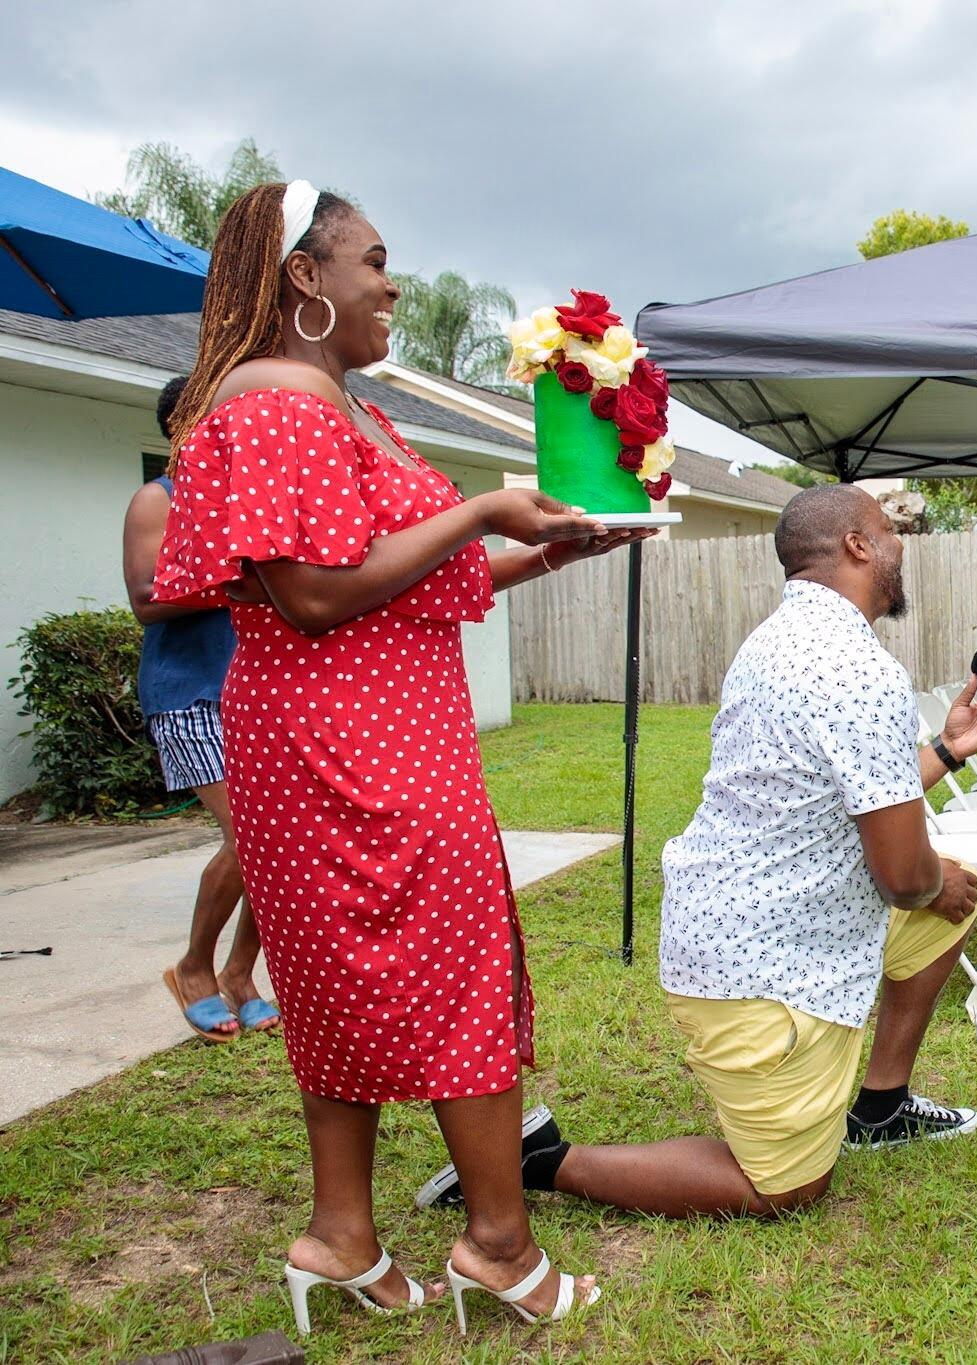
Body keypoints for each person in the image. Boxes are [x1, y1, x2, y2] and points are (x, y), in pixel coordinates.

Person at [151, 178, 648, 1331]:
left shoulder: (337, 405)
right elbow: (312, 595)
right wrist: (481, 511)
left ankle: (340, 1239)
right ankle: (498, 1248)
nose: (393, 284)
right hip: (351, 749)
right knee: (454, 974)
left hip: (349, 737)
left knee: (338, 986)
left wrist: (557, 548)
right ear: (304, 280)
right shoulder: (278, 404)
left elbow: (406, 578)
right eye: (373, 260)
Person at [415, 484, 977, 1219]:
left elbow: (848, 790)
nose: (898, 545)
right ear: (857, 544)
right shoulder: (860, 670)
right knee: (784, 1186)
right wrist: (931, 885)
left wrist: (950, 750)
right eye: (888, 530)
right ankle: (536, 1159)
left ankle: (881, 1107)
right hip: (760, 963)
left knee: (954, 890)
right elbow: (900, 876)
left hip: (751, 918)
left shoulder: (777, 639)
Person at [123, 375, 277, 1042]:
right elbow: (146, 596)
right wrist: (249, 582)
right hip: (190, 693)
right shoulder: (157, 499)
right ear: (182, 428)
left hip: (257, 690)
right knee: (248, 835)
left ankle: (241, 973)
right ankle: (193, 967)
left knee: (276, 842)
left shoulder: (248, 499)